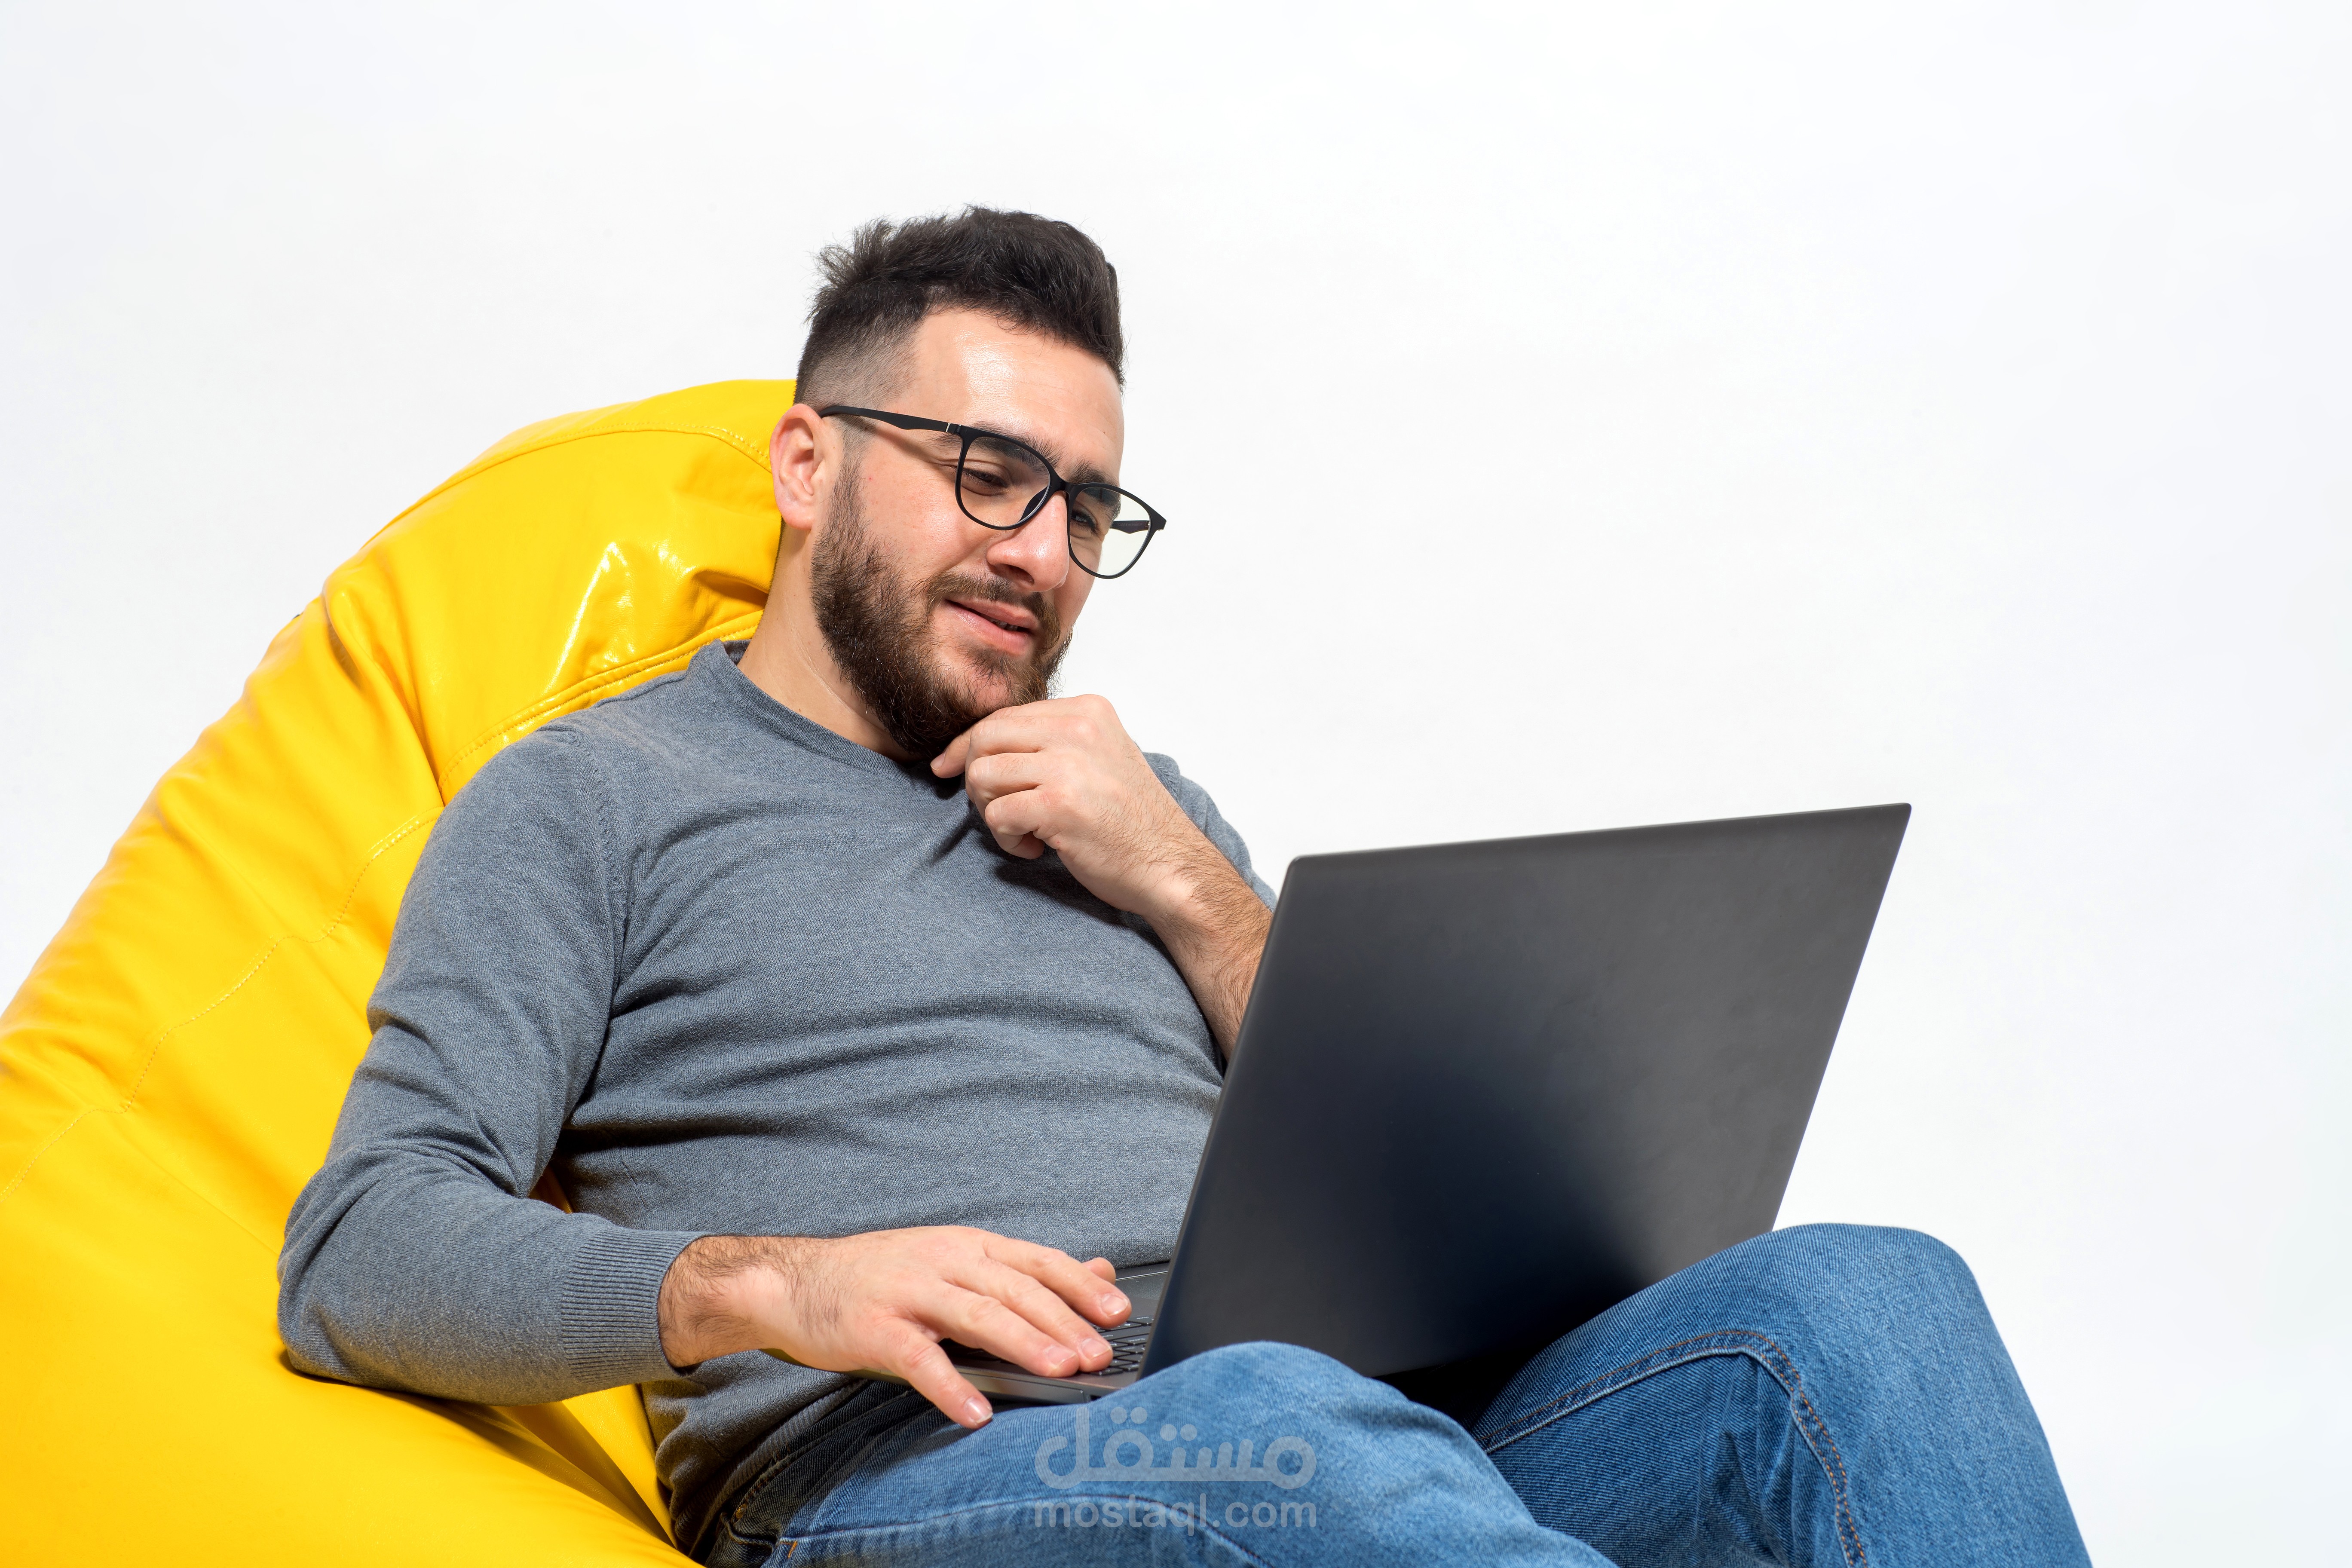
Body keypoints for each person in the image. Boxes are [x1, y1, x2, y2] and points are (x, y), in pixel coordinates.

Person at [279, 207, 2091, 1567]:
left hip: (1355, 1434)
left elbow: (1395, 1174)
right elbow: (360, 1250)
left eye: (1087, 510)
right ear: (808, 465)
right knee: (1283, 1422)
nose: (1042, 552)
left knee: (1860, 1299)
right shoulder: (593, 800)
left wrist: (1185, 879)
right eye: (987, 475)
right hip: (909, 1468)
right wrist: (783, 1287)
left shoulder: (1132, 806)